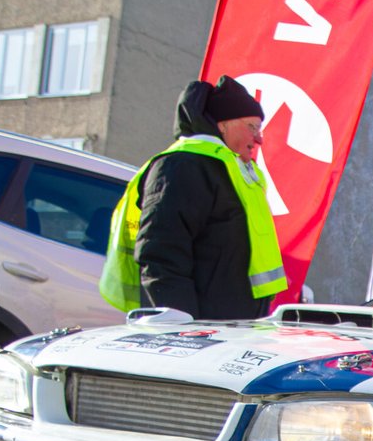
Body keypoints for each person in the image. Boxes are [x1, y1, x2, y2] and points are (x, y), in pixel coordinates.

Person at [99, 76, 286, 320]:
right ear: (223, 125)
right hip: (201, 331)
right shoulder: (183, 166)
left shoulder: (227, 169)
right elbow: (162, 255)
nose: (259, 138)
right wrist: (181, 329)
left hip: (231, 328)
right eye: (252, 127)